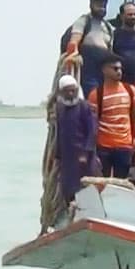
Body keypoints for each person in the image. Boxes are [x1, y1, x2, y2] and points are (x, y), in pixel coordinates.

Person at [87, 53, 135, 179]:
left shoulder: (130, 90)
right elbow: (92, 124)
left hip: (125, 146)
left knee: (121, 183)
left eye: (121, 69)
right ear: (104, 70)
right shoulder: (96, 95)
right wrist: (92, 151)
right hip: (103, 146)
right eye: (115, 69)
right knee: (103, 182)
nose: (119, 72)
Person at [53, 74, 97, 206]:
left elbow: (92, 131)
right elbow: (59, 133)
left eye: (73, 90)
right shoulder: (60, 109)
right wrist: (57, 156)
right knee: (67, 188)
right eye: (68, 91)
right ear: (62, 92)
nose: (71, 93)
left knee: (84, 186)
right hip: (67, 158)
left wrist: (85, 152)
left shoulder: (84, 107)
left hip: (83, 157)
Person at [63, 0, 115, 97]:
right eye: (98, 5)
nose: (101, 8)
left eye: (103, 6)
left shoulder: (108, 27)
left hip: (103, 69)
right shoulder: (84, 21)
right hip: (88, 68)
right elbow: (74, 41)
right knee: (92, 96)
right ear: (91, 5)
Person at [111, 1, 135, 91]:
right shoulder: (114, 35)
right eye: (130, 14)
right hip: (119, 83)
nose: (133, 17)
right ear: (121, 16)